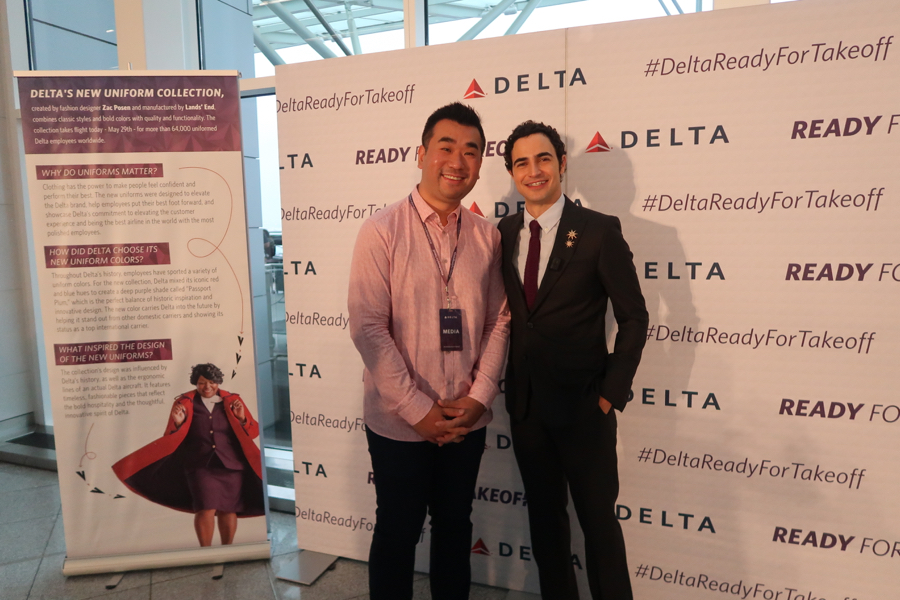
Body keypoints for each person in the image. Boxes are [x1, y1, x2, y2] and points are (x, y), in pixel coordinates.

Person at [348, 102, 510, 600]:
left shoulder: (487, 237)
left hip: (465, 416)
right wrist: (419, 411)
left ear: (481, 165)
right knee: (397, 531)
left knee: (455, 528)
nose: (458, 161)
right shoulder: (381, 230)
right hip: (399, 421)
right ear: (421, 154)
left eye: (471, 151)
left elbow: (500, 319)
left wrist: (480, 397)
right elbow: (368, 327)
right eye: (446, 147)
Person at [497, 121, 648, 600]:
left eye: (543, 159)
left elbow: (635, 318)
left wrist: (609, 395)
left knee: (600, 529)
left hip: (586, 410)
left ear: (562, 164)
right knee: (546, 528)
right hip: (527, 410)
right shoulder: (502, 234)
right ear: (512, 172)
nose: (534, 170)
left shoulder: (599, 230)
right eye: (522, 162)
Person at [112, 363, 265, 547]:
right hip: (199, 465)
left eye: (211, 382)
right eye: (201, 383)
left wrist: (242, 418)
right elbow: (169, 438)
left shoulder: (232, 401)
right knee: (205, 509)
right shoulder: (184, 403)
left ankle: (227, 550)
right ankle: (205, 552)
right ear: (195, 383)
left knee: (228, 509)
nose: (207, 387)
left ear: (218, 382)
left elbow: (254, 432)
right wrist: (177, 424)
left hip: (231, 466)